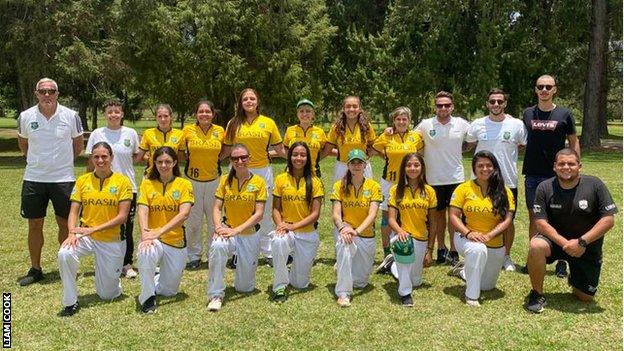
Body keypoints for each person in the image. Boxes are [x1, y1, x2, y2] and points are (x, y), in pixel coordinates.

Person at [524, 148, 617, 313]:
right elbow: (540, 223)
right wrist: (567, 244)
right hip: (555, 242)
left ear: (579, 166)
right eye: (561, 164)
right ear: (554, 166)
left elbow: (608, 220)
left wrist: (581, 242)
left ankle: (575, 278)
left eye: (571, 164)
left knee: (585, 298)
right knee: (536, 245)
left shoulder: (595, 185)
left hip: (586, 245)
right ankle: (537, 293)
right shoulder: (544, 187)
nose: (566, 167)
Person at [17, 77, 84, 286]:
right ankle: (36, 269)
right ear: (36, 93)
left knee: (65, 223)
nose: (47, 95)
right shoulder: (25, 116)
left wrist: (61, 164)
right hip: (34, 179)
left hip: (63, 179)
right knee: (35, 224)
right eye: (43, 91)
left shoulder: (71, 116)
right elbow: (23, 145)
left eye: (51, 91)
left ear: (57, 93)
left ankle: (66, 266)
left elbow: (78, 146)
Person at [57, 142, 132, 316]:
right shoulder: (83, 180)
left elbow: (122, 217)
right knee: (65, 253)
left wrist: (92, 230)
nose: (100, 160)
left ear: (112, 158)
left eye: (104, 156)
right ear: (91, 158)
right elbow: (73, 211)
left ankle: (112, 280)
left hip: (112, 239)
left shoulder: (123, 182)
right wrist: (71, 233)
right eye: (96, 157)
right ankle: (70, 301)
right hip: (86, 236)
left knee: (107, 295)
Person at [522, 75, 581, 278]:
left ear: (555, 89)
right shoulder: (528, 113)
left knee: (560, 217)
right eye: (541, 87)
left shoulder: (564, 114)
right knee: (534, 216)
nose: (544, 90)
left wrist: (575, 167)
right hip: (533, 174)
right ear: (536, 90)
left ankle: (562, 261)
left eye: (548, 86)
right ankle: (533, 258)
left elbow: (573, 141)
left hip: (557, 174)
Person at [222, 88, 285, 265]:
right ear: (240, 103)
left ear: (257, 102)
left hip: (262, 171)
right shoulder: (233, 124)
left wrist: (301, 161)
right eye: (245, 99)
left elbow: (280, 149)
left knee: (264, 212)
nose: (249, 102)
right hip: (237, 170)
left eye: (252, 98)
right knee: (236, 210)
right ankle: (236, 252)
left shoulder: (268, 123)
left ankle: (268, 251)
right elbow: (227, 150)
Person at [468, 89, 526, 271]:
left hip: (507, 181)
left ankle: (506, 256)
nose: (496, 105)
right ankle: (477, 253)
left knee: (507, 220)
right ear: (487, 104)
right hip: (480, 182)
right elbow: (467, 145)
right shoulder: (477, 124)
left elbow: (524, 146)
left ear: (505, 104)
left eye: (499, 102)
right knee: (477, 217)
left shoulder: (517, 124)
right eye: (492, 101)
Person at [415, 91, 476, 266]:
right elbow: (410, 137)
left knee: (454, 216)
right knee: (438, 217)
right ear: (435, 107)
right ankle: (441, 249)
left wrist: (462, 149)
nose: (443, 108)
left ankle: (454, 250)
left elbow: (475, 136)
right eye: (440, 105)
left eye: (447, 105)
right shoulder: (426, 124)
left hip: (455, 178)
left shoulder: (461, 124)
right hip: (433, 179)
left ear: (452, 107)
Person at [448, 151, 514, 307]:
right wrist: (469, 233)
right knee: (477, 250)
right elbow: (453, 216)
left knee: (487, 286)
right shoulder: (463, 188)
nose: (485, 169)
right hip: (466, 238)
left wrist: (490, 235)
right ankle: (471, 296)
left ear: (495, 167)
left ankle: (464, 271)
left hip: (494, 242)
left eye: (489, 165)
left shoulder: (504, 190)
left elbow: (508, 220)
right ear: (474, 168)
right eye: (480, 166)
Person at [85, 99, 141, 278]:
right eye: (110, 111)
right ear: (105, 114)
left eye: (117, 111)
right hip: (101, 188)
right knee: (102, 224)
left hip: (127, 187)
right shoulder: (97, 133)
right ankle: (104, 261)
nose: (113, 115)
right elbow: (90, 161)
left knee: (126, 227)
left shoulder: (130, 133)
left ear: (122, 114)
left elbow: (137, 156)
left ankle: (126, 263)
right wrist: (87, 182)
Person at [207, 144, 266, 311]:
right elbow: (217, 207)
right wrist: (218, 227)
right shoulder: (225, 180)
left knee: (244, 288)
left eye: (243, 157)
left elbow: (259, 214)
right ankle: (216, 294)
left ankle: (238, 260)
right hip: (228, 231)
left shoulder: (259, 182)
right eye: (235, 158)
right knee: (217, 246)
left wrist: (237, 230)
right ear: (231, 160)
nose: (240, 161)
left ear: (249, 158)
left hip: (249, 234)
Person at [136, 147, 194, 314]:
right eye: (160, 162)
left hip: (175, 242)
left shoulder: (184, 184)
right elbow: (142, 210)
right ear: (154, 163)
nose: (163, 165)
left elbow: (184, 214)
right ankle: (147, 298)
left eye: (167, 162)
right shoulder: (147, 183)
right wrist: (146, 234)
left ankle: (154, 276)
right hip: (153, 238)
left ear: (174, 162)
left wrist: (159, 231)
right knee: (146, 251)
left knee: (168, 292)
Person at [270, 141, 324, 302]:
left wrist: (294, 226)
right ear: (289, 156)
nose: (298, 158)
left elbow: (315, 214)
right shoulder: (280, 179)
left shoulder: (315, 182)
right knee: (278, 241)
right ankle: (279, 285)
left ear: (308, 158)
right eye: (295, 154)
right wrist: (280, 225)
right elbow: (275, 209)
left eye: (302, 155)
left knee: (300, 284)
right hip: (286, 230)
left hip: (307, 233)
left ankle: (293, 274)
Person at [331, 149, 382, 307]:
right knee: (344, 242)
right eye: (353, 162)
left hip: (365, 235)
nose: (356, 165)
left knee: (360, 283)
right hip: (347, 231)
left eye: (359, 162)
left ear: (365, 165)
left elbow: (372, 214)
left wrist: (357, 231)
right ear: (348, 165)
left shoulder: (373, 186)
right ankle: (343, 293)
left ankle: (342, 267)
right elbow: (336, 215)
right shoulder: (339, 185)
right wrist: (342, 228)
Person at [372, 106, 424, 261]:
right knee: (387, 216)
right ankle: (387, 251)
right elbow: (373, 150)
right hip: (389, 181)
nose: (401, 122)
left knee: (406, 214)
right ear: (393, 121)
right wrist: (388, 158)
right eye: (398, 119)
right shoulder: (386, 136)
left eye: (404, 119)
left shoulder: (416, 137)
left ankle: (405, 246)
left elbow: (419, 155)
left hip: (410, 182)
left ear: (409, 121)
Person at [386, 153, 436, 307]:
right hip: (402, 237)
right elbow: (391, 220)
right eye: (409, 165)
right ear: (403, 168)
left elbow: (433, 223)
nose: (412, 168)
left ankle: (392, 265)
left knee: (416, 281)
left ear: (422, 168)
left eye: (416, 165)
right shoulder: (396, 190)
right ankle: (405, 294)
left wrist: (429, 250)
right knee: (405, 248)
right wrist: (400, 231)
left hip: (421, 240)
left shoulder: (429, 191)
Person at [182, 100, 225, 270]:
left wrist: (216, 160)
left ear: (213, 114)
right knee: (194, 221)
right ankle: (194, 255)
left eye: (208, 111)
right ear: (196, 114)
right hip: (192, 181)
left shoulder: (220, 131)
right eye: (201, 111)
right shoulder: (187, 130)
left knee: (214, 221)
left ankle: (214, 254)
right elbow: (180, 152)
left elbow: (226, 150)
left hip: (214, 180)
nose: (204, 114)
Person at [323, 96, 376, 182]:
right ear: (343, 109)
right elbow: (327, 150)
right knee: (340, 194)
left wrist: (364, 157)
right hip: (343, 167)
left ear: (360, 109)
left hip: (363, 166)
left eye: (355, 106)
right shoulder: (336, 127)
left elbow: (374, 147)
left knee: (365, 194)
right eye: (348, 106)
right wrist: (313, 161)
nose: (351, 109)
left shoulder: (366, 126)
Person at [137, 104, 186, 176]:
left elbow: (180, 158)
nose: (163, 119)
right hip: (152, 175)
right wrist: (152, 159)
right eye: (159, 116)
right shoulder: (148, 133)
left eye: (166, 116)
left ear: (171, 117)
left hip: (172, 175)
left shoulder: (180, 134)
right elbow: (140, 157)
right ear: (156, 118)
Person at [282, 99, 327, 176]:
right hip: (292, 172)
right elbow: (284, 148)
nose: (305, 114)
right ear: (297, 114)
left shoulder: (320, 132)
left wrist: (315, 159)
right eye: (301, 111)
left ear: (313, 114)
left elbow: (326, 150)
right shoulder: (290, 130)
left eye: (308, 111)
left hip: (313, 173)